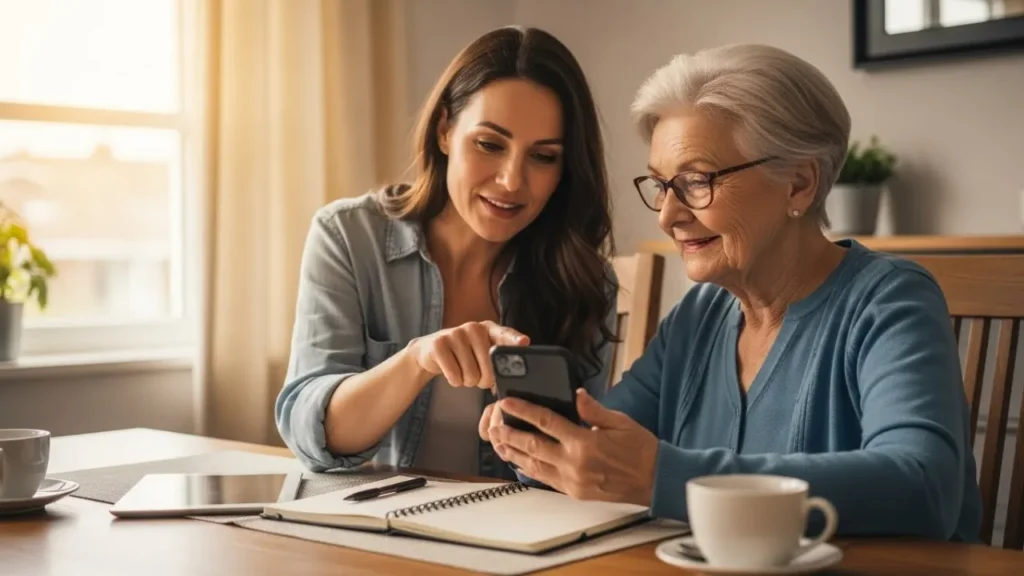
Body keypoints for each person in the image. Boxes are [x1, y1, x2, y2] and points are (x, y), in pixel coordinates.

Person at [481, 44, 983, 541]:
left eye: (696, 181)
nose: (668, 216)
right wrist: (542, 444)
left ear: (799, 184)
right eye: (661, 185)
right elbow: (604, 450)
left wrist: (662, 477)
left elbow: (923, 486)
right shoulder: (699, 316)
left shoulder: (890, 301)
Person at [276, 26, 618, 480]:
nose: (511, 181)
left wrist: (538, 444)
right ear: (444, 130)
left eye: (543, 156)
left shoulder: (585, 282)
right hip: (374, 519)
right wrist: (417, 360)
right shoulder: (348, 237)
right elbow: (312, 436)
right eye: (489, 144)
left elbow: (578, 471)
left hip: (514, 523)